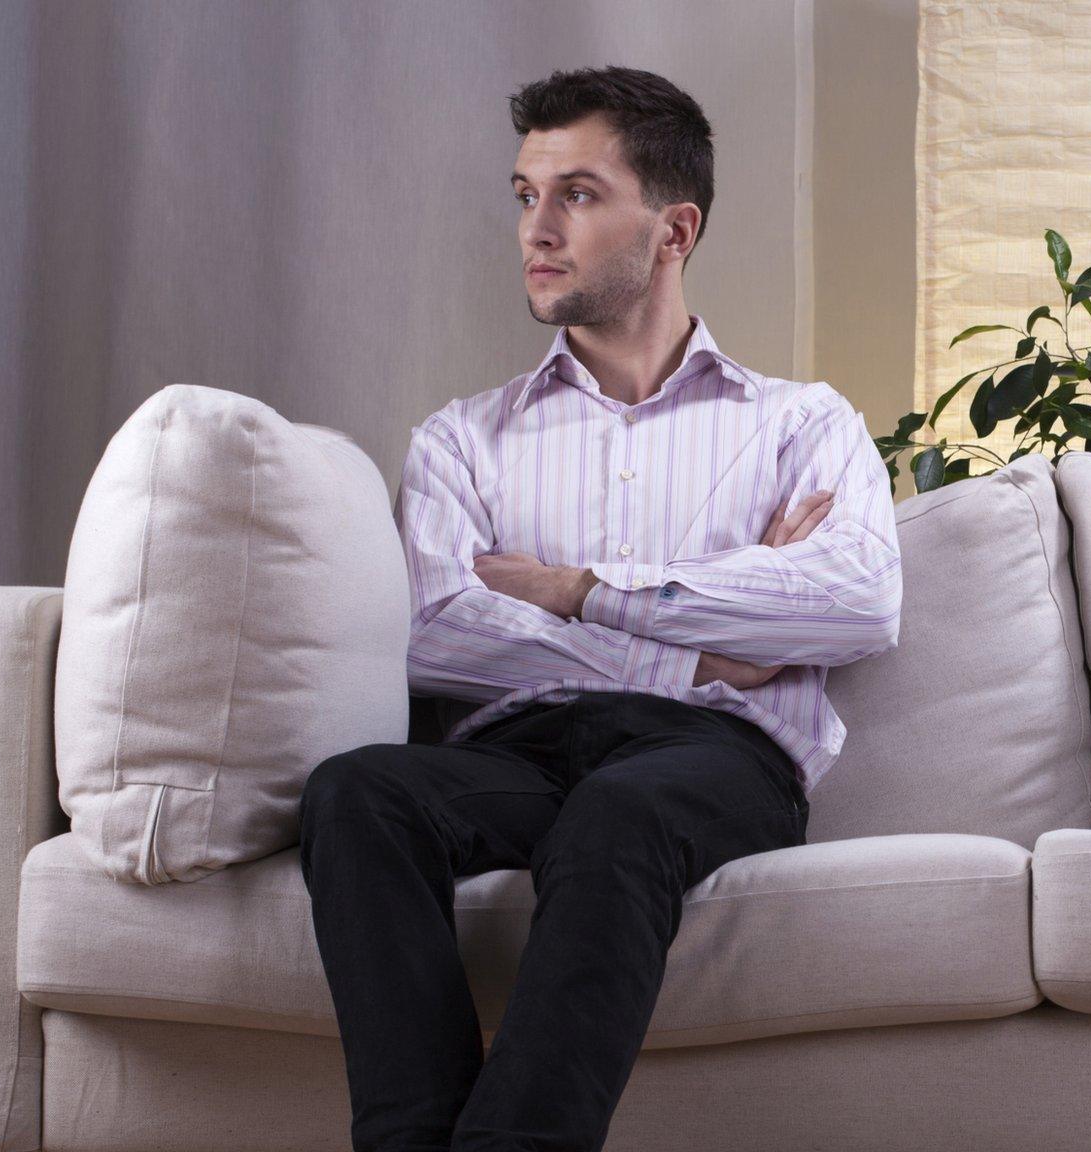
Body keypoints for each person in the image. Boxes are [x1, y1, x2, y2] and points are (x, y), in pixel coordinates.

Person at [296, 65, 900, 1152]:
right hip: (520, 752)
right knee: (356, 792)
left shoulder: (800, 426)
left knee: (618, 815)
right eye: (526, 195)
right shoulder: (459, 440)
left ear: (673, 230)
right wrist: (706, 650)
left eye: (575, 193)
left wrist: (580, 594)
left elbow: (853, 602)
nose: (537, 226)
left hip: (714, 761)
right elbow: (435, 628)